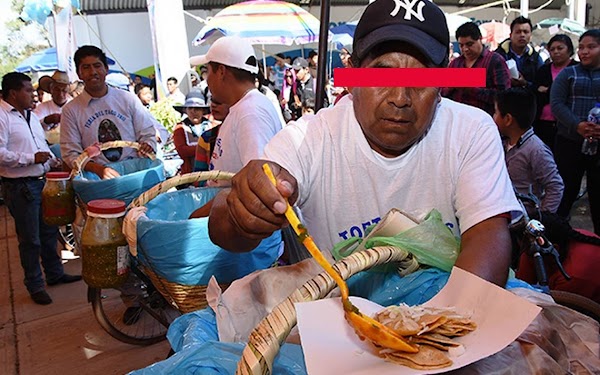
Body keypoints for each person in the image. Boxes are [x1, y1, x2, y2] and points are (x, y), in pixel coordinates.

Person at [208, 0, 521, 287]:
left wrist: (441, 331)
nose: (400, 98)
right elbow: (225, 225)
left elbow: (488, 236)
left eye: (421, 80)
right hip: (340, 322)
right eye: (382, 74)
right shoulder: (309, 139)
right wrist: (242, 209)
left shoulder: (471, 131)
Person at [0, 72, 81, 305]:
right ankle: (35, 284)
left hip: (41, 181)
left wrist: (50, 161)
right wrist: (30, 158)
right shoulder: (3, 116)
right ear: (14, 93)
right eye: (28, 90)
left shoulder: (31, 115)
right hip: (20, 186)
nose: (33, 95)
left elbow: (40, 145)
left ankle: (54, 274)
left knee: (48, 233)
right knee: (30, 239)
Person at [189, 35, 282, 181]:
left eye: (208, 71)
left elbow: (262, 182)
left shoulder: (251, 113)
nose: (206, 80)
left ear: (221, 71)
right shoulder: (243, 107)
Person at [60, 45, 156, 178]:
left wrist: (147, 146)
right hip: (97, 180)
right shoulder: (70, 110)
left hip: (135, 173)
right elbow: (71, 154)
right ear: (79, 73)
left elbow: (147, 132)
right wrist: (98, 170)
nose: (93, 71)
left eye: (97, 65)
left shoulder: (127, 99)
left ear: (106, 69)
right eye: (86, 67)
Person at [550, 29, 600, 235]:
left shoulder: (491, 61)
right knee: (565, 192)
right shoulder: (568, 74)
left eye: (591, 47)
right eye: (581, 47)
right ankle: (558, 239)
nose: (584, 52)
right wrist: (577, 125)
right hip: (569, 141)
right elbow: (556, 103)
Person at [493, 87, 564, 215]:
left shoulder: (536, 150)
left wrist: (543, 218)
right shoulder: (500, 142)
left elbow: (555, 186)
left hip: (524, 216)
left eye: (496, 112)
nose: (493, 117)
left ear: (508, 119)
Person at [442, 22, 511, 116]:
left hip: (484, 121)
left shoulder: (495, 61)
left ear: (480, 39)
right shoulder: (455, 63)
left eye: (469, 44)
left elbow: (503, 96)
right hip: (457, 120)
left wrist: (471, 89)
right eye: (461, 45)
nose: (465, 49)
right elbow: (442, 92)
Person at [533, 34, 577, 151]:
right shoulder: (544, 69)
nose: (556, 52)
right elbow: (535, 90)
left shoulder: (576, 69)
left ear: (569, 49)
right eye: (552, 49)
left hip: (568, 123)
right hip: (543, 122)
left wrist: (549, 91)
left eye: (560, 48)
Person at [495, 16, 544, 89]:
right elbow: (476, 81)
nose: (522, 35)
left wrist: (525, 83)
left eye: (526, 32)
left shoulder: (536, 58)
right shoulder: (497, 55)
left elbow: (541, 86)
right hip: (503, 98)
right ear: (510, 35)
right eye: (518, 32)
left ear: (530, 36)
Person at [173, 90, 211, 176]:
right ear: (185, 110)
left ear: (203, 111)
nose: (193, 112)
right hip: (189, 175)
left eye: (197, 109)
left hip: (211, 173)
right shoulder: (180, 128)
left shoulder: (212, 126)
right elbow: (182, 150)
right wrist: (205, 148)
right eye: (190, 108)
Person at [34, 70, 72, 149]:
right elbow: (33, 126)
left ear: (68, 91)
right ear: (51, 90)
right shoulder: (42, 107)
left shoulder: (75, 106)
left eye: (64, 90)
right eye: (57, 89)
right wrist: (46, 121)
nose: (60, 94)